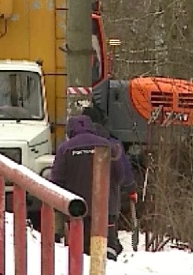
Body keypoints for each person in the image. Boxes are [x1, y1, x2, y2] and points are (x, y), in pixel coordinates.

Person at [50, 114, 124, 261]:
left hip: (77, 209)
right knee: (106, 247)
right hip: (106, 208)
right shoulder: (108, 146)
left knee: (81, 252)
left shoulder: (65, 149)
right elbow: (120, 175)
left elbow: (57, 180)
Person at [81, 105, 135, 260]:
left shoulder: (72, 144)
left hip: (80, 203)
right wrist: (130, 188)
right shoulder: (112, 143)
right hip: (108, 203)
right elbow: (124, 173)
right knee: (108, 239)